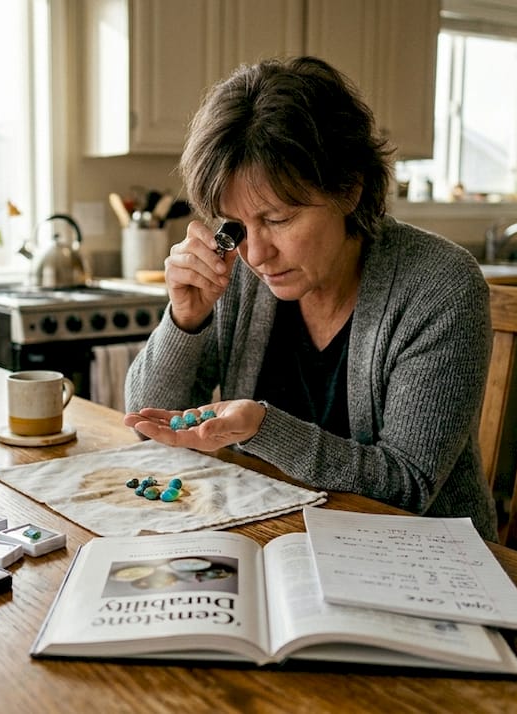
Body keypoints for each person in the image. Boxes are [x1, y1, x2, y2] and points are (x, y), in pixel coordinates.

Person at [123, 56, 497, 540]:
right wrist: (184, 321)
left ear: (350, 190)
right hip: (278, 533)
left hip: (422, 553)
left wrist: (263, 428)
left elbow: (406, 488)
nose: (257, 254)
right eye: (237, 225)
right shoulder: (237, 270)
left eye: (277, 219)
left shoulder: (439, 285)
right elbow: (146, 422)